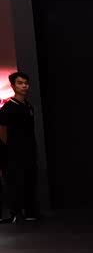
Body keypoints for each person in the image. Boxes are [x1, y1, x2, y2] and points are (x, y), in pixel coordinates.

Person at [0, 72, 40, 222]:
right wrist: (9, 147)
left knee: (30, 180)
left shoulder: (28, 106)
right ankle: (15, 214)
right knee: (16, 182)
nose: (24, 86)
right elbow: (1, 129)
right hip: (14, 152)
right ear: (13, 86)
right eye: (20, 83)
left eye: (26, 83)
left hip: (29, 150)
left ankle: (30, 212)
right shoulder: (8, 108)